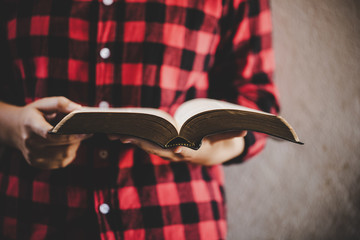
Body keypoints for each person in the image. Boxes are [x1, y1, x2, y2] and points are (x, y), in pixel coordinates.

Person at [0, 0, 279, 239]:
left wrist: (203, 147)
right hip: (34, 215)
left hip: (177, 220)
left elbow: (257, 101)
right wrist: (13, 127)